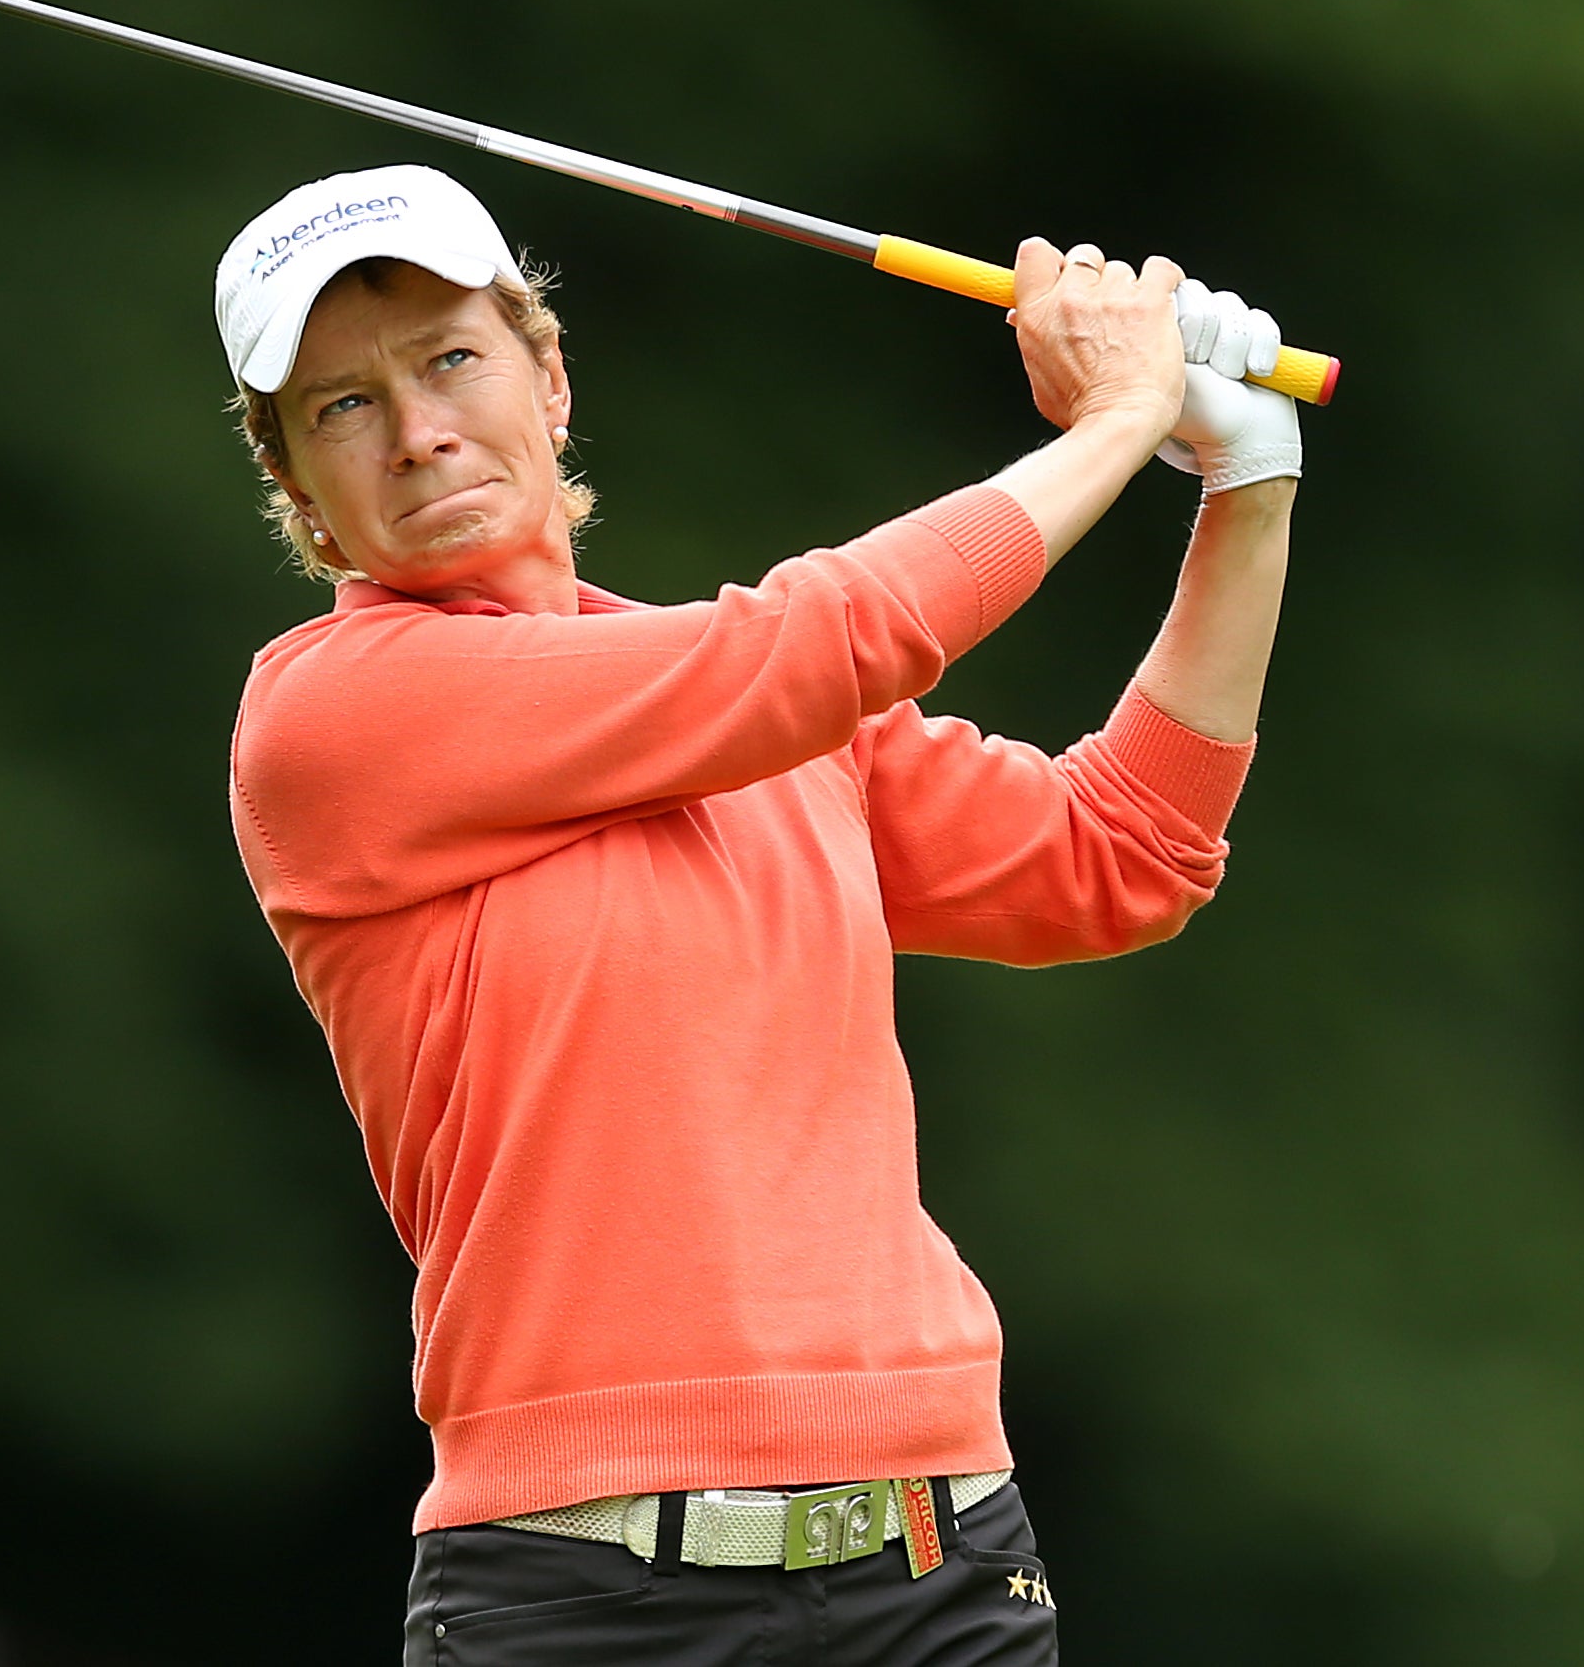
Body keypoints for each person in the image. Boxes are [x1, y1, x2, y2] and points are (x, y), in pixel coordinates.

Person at [215, 164, 1302, 1666]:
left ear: (548, 376)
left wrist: (1245, 489)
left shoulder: (765, 713)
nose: (416, 431)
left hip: (939, 1557)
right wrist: (1120, 420)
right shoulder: (333, 718)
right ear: (296, 486)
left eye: (450, 358)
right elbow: (827, 638)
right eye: (340, 407)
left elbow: (1116, 855)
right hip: (584, 1595)